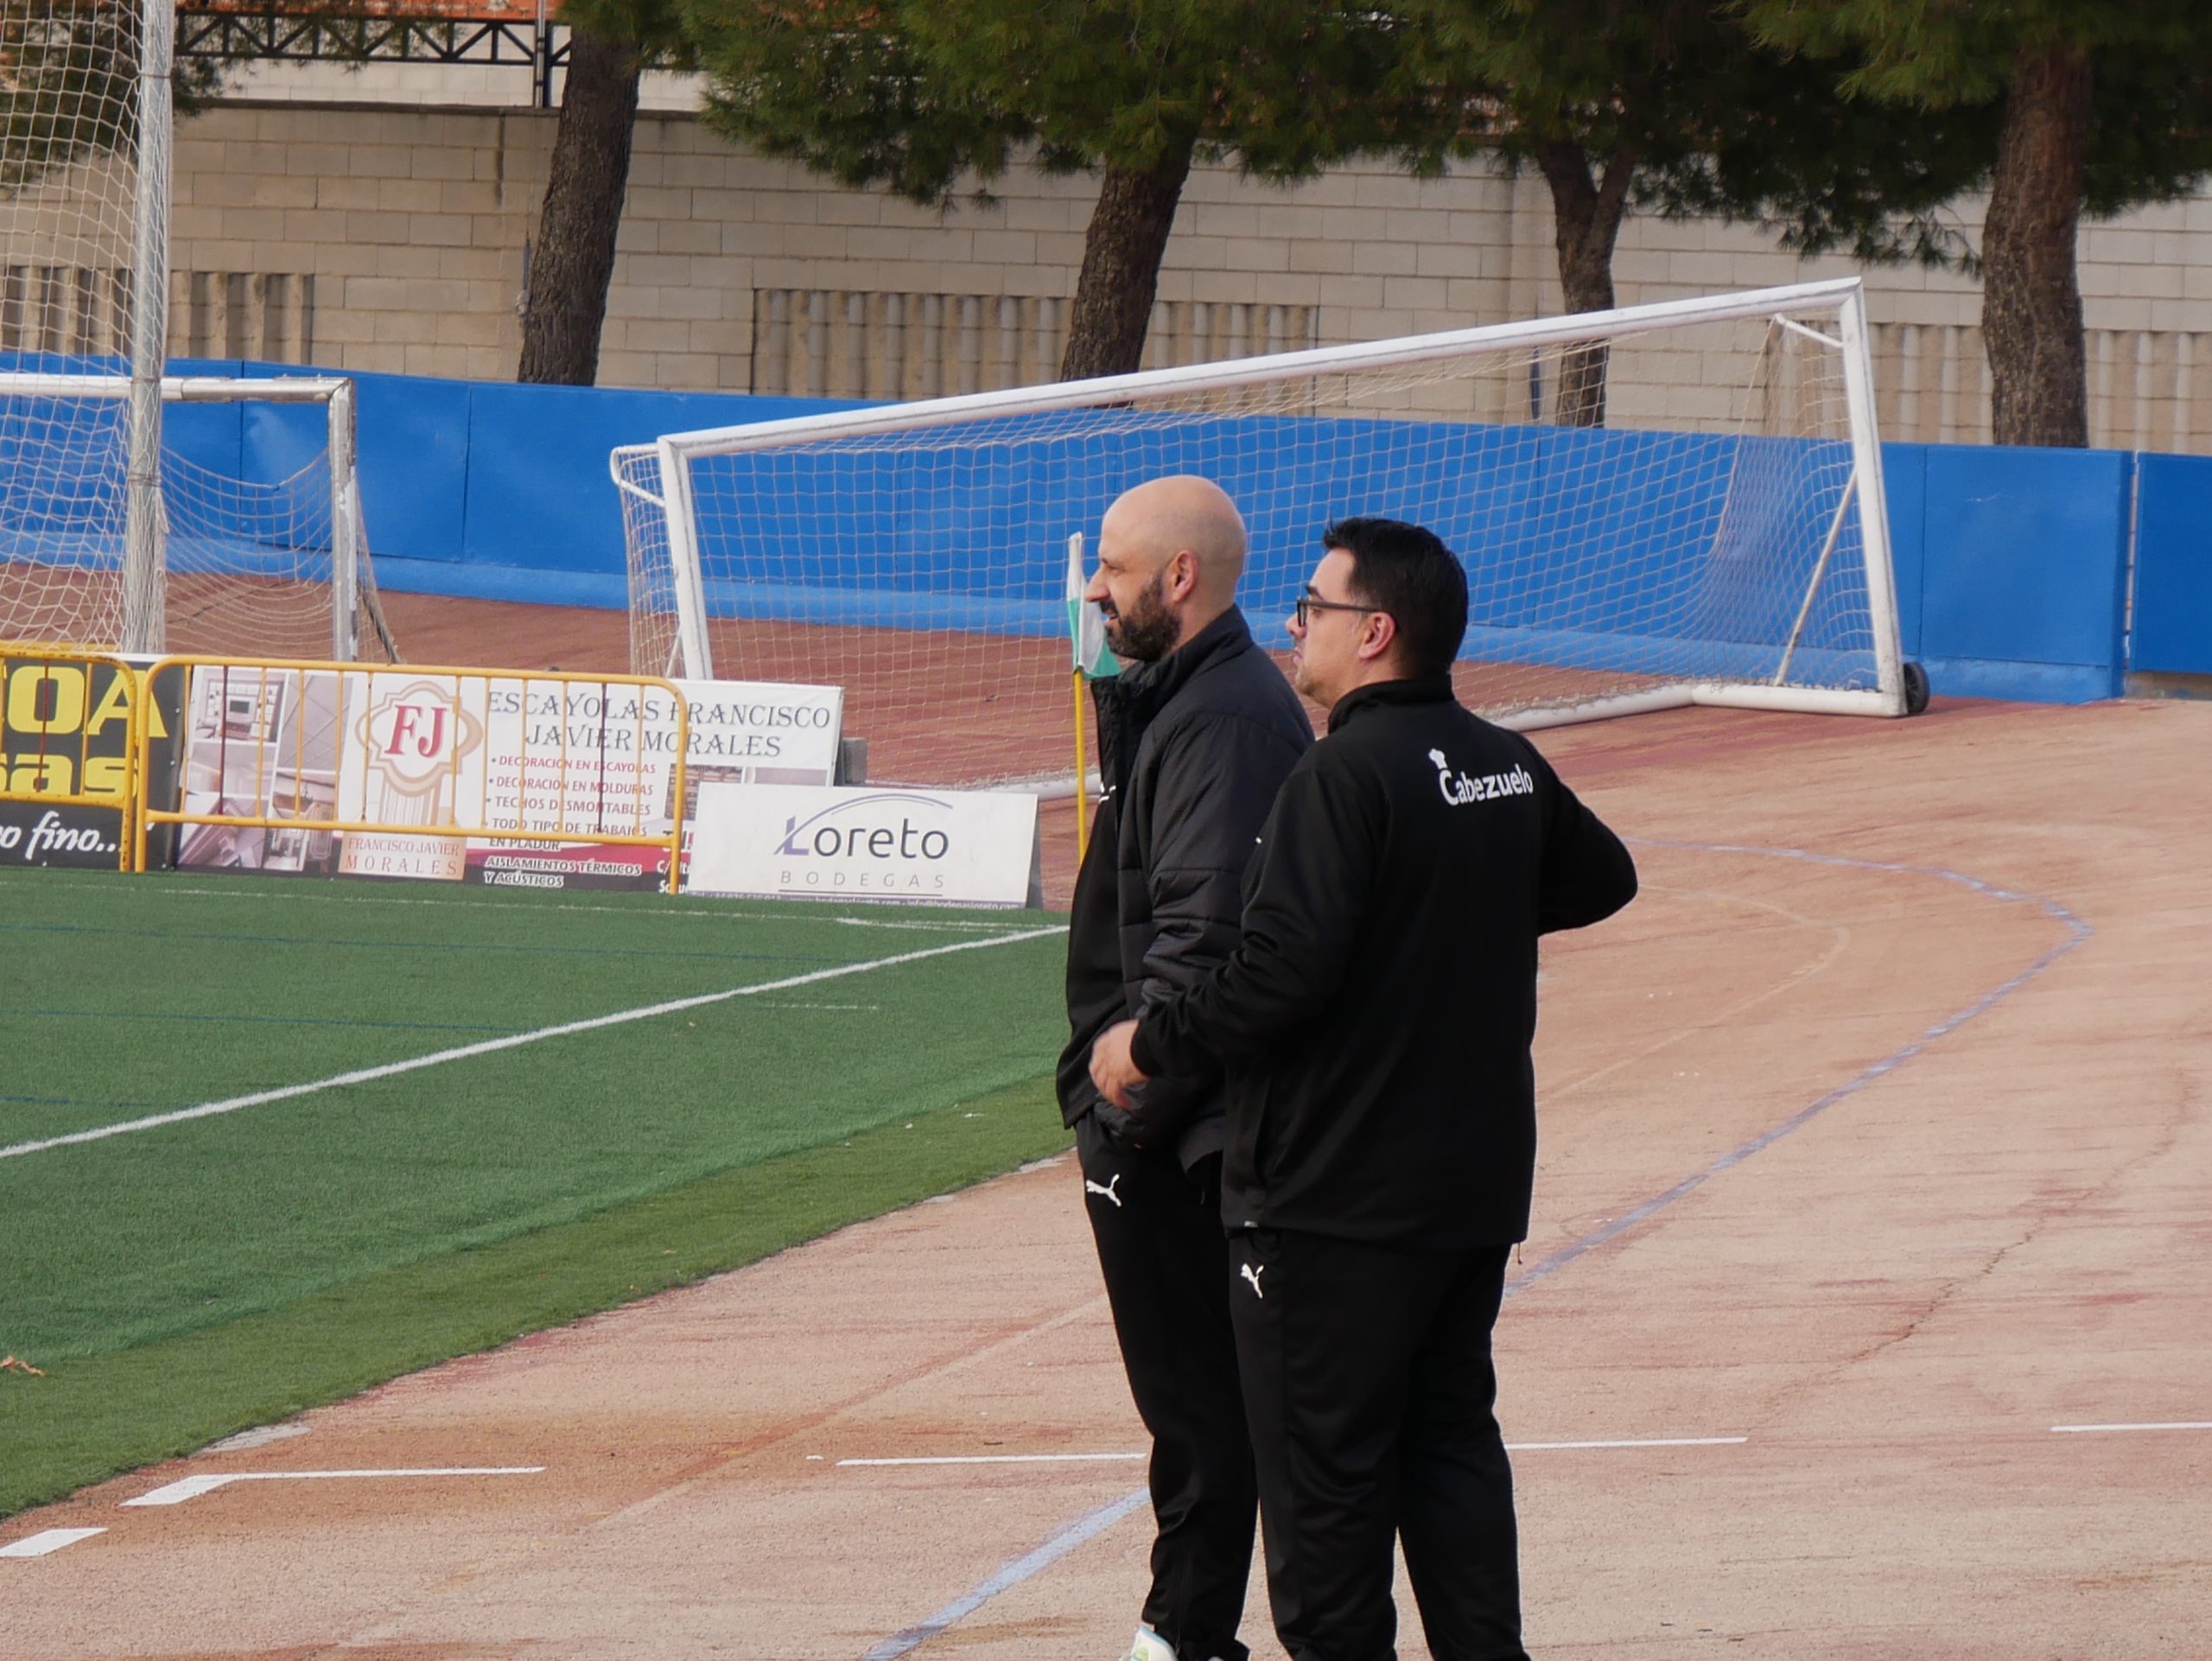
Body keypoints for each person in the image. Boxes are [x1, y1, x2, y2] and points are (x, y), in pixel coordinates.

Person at [1089, 517, 1638, 1661]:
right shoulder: (1500, 757)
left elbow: (1275, 977)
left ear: (1375, 632)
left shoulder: (1340, 772)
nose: (1297, 627)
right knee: (1449, 1447)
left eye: (1314, 607)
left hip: (1330, 1202)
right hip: (1467, 1191)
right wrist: (1450, 917)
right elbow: (1602, 877)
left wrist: (1146, 1044)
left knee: (1325, 1501)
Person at [1059, 475, 1315, 1661]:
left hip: (1172, 1124)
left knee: (1202, 1405)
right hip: (1156, 1113)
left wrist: (1126, 1108)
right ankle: (1187, 1626)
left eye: (1112, 569)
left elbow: (1203, 936)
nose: (1091, 591)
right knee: (1191, 1401)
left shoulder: (1225, 720)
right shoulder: (1181, 697)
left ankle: (1184, 1632)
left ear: (1180, 576)